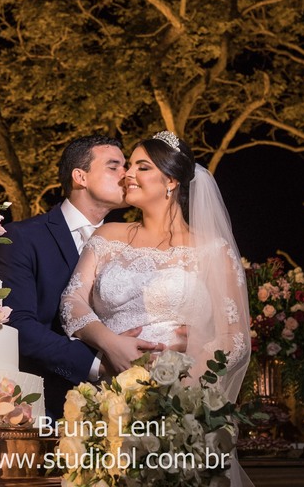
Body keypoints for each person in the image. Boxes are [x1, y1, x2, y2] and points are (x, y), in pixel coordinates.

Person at [60, 131, 252, 480]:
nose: (127, 174)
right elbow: (72, 300)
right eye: (128, 165)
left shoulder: (212, 249)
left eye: (141, 167)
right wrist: (109, 342)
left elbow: (235, 334)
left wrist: (183, 387)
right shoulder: (107, 236)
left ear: (171, 181)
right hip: (112, 395)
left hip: (183, 401)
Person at [0, 134, 163, 418]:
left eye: (129, 166)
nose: (127, 174)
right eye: (114, 166)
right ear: (80, 177)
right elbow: (18, 324)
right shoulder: (23, 237)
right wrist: (97, 364)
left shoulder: (136, 242)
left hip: (136, 405)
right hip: (53, 405)